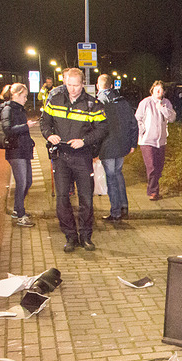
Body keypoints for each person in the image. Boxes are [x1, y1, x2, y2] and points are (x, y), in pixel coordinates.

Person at [40, 68, 108, 252]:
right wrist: (49, 135)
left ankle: (86, 237)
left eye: (76, 85)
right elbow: (44, 122)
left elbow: (102, 130)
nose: (72, 89)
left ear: (83, 83)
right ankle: (70, 236)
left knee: (86, 199)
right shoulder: (54, 100)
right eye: (69, 85)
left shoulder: (93, 104)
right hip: (61, 156)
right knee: (62, 199)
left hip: (82, 156)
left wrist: (84, 141)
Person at [96, 74, 138, 222]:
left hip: (107, 146)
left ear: (98, 85)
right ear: (112, 86)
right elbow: (133, 124)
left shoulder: (98, 103)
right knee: (118, 174)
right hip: (122, 145)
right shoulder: (123, 102)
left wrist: (94, 148)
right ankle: (124, 206)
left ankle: (115, 212)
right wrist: (133, 143)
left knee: (111, 178)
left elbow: (95, 127)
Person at [0, 83, 37, 227]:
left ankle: (17, 210)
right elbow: (7, 129)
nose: (26, 99)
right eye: (24, 96)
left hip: (23, 149)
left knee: (28, 182)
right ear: (16, 94)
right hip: (15, 150)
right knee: (22, 183)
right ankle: (21, 215)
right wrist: (26, 126)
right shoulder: (8, 109)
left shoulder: (18, 109)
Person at [135, 80, 176, 201]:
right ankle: (153, 191)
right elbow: (138, 118)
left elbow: (172, 117)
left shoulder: (166, 103)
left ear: (164, 92)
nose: (158, 91)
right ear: (152, 90)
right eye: (156, 89)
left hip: (161, 141)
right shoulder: (146, 102)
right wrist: (143, 131)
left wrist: (162, 109)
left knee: (159, 167)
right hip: (147, 141)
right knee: (151, 167)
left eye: (161, 90)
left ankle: (154, 189)